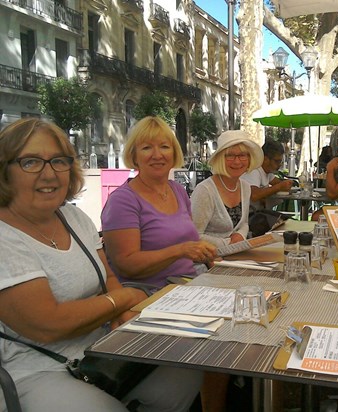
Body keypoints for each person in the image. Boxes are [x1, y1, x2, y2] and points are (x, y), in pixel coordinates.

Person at [0, 118, 202, 411]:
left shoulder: (73, 217)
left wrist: (121, 310)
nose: (49, 174)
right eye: (31, 162)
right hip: (38, 368)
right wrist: (125, 298)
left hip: (102, 349)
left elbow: (107, 274)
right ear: (5, 171)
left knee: (186, 370)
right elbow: (48, 324)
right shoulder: (5, 234)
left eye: (59, 161)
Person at [101, 116, 217, 290]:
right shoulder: (122, 201)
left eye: (164, 147)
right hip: (149, 294)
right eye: (147, 148)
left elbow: (191, 244)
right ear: (134, 155)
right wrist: (180, 250)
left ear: (174, 153)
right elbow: (126, 265)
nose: (157, 155)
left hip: (188, 284)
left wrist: (212, 261)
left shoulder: (177, 190)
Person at [191, 130, 263, 247]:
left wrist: (240, 235)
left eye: (242, 155)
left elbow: (244, 223)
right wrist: (227, 243)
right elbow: (193, 236)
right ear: (220, 159)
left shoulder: (245, 187)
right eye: (230, 155)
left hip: (234, 255)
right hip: (205, 260)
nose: (237, 161)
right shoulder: (205, 190)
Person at [241, 138, 293, 211]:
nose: (279, 165)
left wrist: (286, 184)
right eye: (277, 161)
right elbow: (254, 195)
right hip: (249, 216)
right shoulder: (254, 171)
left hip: (259, 213)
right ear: (265, 159)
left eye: (280, 162)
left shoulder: (267, 172)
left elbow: (278, 183)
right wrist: (279, 187)